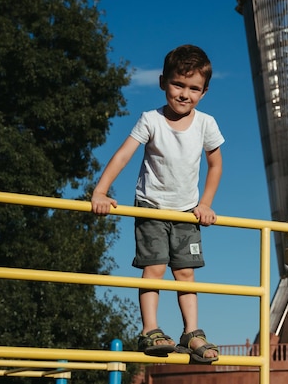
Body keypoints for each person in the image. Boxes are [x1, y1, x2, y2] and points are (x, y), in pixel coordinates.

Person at [91, 45, 224, 362]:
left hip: (187, 212)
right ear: (164, 82)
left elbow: (215, 164)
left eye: (194, 88)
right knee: (154, 268)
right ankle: (150, 329)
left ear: (204, 92)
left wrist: (205, 204)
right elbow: (123, 155)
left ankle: (192, 332)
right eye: (178, 85)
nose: (184, 94)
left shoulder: (206, 124)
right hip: (151, 208)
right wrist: (100, 191)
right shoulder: (151, 120)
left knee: (186, 274)